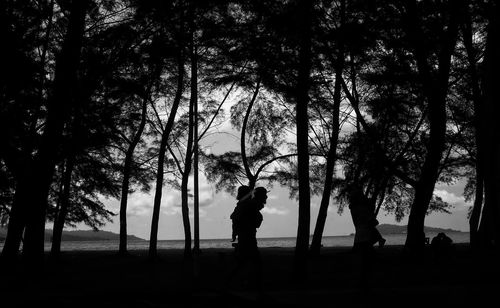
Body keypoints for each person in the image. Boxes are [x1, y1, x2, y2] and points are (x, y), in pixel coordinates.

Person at [228, 186, 267, 291]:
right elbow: (236, 218)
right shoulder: (246, 205)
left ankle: (234, 284)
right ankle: (256, 288)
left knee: (244, 263)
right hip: (247, 239)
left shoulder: (242, 205)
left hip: (246, 238)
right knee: (254, 264)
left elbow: (235, 219)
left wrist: (234, 234)